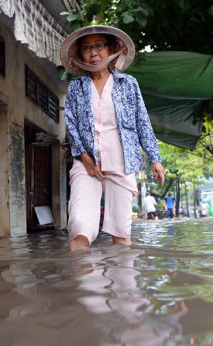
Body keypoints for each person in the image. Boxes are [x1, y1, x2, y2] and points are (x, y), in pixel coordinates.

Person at [60, 25, 165, 252]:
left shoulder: (128, 84)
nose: (93, 53)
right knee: (79, 224)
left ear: (112, 49)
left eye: (99, 46)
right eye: (87, 48)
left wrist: (155, 159)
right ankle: (87, 286)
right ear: (80, 54)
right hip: (86, 163)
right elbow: (71, 125)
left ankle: (122, 285)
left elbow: (142, 122)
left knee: (121, 231)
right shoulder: (76, 87)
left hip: (122, 161)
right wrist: (84, 157)